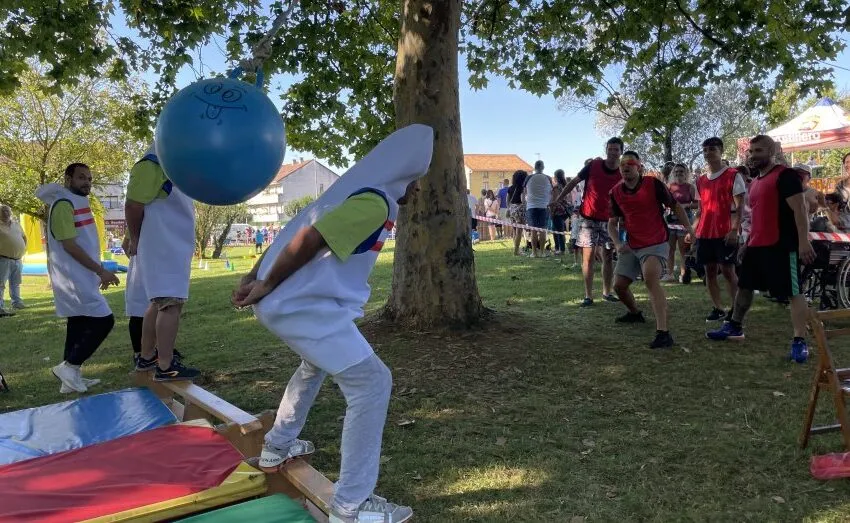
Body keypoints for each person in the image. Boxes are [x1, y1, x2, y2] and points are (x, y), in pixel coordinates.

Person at [231, 125, 432, 523]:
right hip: (302, 308)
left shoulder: (357, 194)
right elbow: (312, 236)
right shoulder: (375, 202)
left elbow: (297, 228)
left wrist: (256, 274)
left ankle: (277, 446)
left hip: (299, 306)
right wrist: (265, 280)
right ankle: (352, 506)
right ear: (402, 175)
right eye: (416, 181)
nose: (417, 190)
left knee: (314, 365)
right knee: (373, 383)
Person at [707, 135, 815, 363]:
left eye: (758, 151)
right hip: (756, 245)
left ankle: (799, 341)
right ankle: (735, 325)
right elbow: (757, 217)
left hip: (783, 246)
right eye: (751, 151)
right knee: (745, 286)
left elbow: (800, 210)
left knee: (793, 292)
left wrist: (803, 241)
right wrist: (747, 243)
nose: (753, 155)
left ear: (771, 151)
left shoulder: (786, 176)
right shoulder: (754, 182)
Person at [36, 163, 119, 393]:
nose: (87, 182)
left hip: (80, 275)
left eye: (90, 179)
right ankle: (70, 366)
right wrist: (100, 271)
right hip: (74, 277)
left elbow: (86, 242)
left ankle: (70, 380)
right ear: (68, 179)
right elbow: (70, 246)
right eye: (81, 177)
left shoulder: (75, 202)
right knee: (104, 320)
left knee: (78, 322)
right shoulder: (63, 204)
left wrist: (98, 269)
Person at [125, 142, 199, 381]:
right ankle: (165, 365)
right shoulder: (154, 163)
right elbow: (133, 204)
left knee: (158, 302)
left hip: (170, 244)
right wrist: (134, 237)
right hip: (162, 245)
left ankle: (147, 357)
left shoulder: (173, 163)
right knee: (170, 304)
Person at [608, 151, 694, 349]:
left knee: (650, 279)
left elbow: (676, 206)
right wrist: (618, 243)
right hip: (632, 245)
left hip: (656, 241)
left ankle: (663, 333)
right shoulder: (615, 192)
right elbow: (611, 224)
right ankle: (635, 313)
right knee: (619, 286)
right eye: (622, 165)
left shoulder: (653, 184)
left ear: (639, 167)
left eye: (630, 164)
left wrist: (690, 229)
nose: (625, 168)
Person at [557, 138, 624, 306]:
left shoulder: (623, 172)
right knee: (587, 258)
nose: (613, 152)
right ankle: (588, 295)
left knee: (608, 257)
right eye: (610, 149)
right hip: (588, 218)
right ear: (606, 150)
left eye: (616, 149)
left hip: (609, 220)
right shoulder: (593, 165)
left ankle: (606, 292)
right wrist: (559, 199)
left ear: (621, 152)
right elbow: (573, 182)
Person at [692, 137, 746, 322]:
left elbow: (740, 207)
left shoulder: (733, 175)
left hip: (725, 232)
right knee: (709, 272)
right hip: (705, 233)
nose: (708, 153)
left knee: (729, 271)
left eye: (712, 149)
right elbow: (700, 210)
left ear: (721, 151)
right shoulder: (700, 181)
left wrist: (734, 230)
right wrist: (693, 231)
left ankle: (736, 310)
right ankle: (717, 308)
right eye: (705, 149)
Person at [665, 164, 696, 283]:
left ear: (686, 173)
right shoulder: (669, 186)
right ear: (673, 173)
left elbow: (697, 204)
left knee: (684, 249)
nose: (679, 173)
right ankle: (669, 273)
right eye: (676, 171)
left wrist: (686, 205)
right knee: (670, 248)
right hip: (671, 219)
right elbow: (664, 202)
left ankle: (684, 275)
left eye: (681, 171)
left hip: (685, 220)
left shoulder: (690, 187)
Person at [0, 205, 26, 315]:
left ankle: (17, 302)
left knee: (16, 283)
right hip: (3, 259)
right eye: (3, 211)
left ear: (10, 212)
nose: (6, 212)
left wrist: (23, 249)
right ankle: (0, 307)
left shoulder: (16, 224)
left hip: (18, 259)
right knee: (1, 284)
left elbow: (24, 237)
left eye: (7, 210)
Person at [524, 160, 551, 257]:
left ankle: (534, 252)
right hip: (544, 206)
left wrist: (524, 205)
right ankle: (542, 252)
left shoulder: (529, 177)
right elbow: (550, 192)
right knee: (543, 230)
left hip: (531, 206)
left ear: (534, 167)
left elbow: (524, 193)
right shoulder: (548, 178)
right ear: (543, 167)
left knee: (533, 231)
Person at [549, 169, 570, 255]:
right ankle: (558, 248)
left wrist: (551, 211)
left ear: (556, 177)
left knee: (558, 231)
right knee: (557, 230)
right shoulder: (565, 186)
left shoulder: (556, 187)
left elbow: (555, 200)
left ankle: (561, 250)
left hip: (557, 211)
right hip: (565, 210)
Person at [507, 170, 528, 256]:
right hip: (520, 210)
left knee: (515, 231)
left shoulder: (510, 188)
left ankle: (516, 249)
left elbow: (507, 200)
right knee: (519, 231)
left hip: (512, 210)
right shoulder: (522, 188)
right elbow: (523, 200)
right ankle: (516, 251)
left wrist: (509, 208)